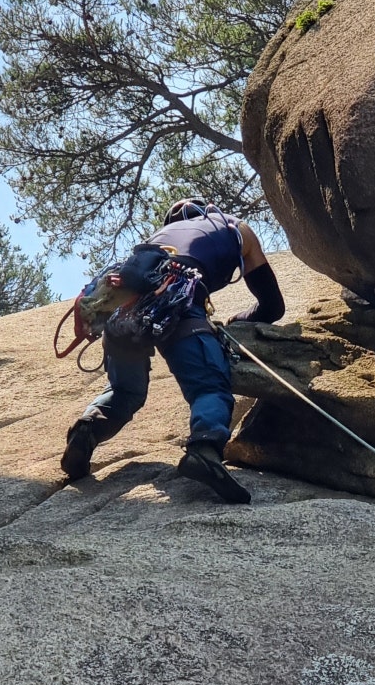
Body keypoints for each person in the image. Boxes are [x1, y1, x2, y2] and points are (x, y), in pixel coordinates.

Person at [59, 198, 285, 503]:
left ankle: (87, 427)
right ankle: (204, 451)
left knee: (125, 390)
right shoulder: (235, 227)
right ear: (205, 209)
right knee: (210, 387)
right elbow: (272, 306)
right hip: (176, 303)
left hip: (123, 310)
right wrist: (237, 320)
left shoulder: (156, 242)